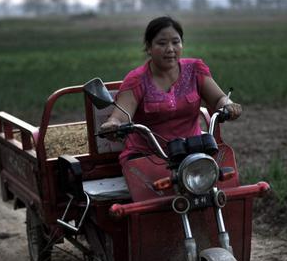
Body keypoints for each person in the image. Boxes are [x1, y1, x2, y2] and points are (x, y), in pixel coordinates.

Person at [101, 16, 242, 166]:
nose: (170, 49)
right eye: (162, 43)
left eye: (176, 42)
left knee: (220, 181)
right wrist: (113, 125)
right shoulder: (136, 80)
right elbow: (120, 117)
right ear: (149, 47)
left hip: (193, 151)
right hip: (148, 156)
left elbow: (218, 98)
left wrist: (228, 105)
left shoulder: (195, 70)